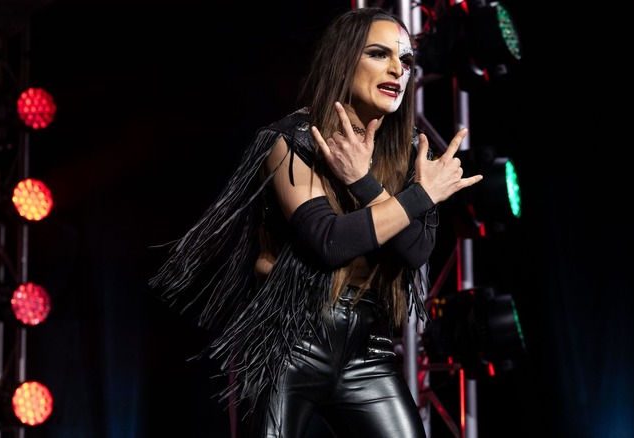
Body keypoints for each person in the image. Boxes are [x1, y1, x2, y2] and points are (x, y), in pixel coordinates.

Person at [149, 6, 482, 437]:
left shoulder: (408, 154)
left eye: (406, 60)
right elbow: (329, 242)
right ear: (344, 60)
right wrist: (420, 197)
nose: (397, 69)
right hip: (287, 341)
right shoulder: (294, 139)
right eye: (379, 54)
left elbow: (414, 250)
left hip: (369, 349)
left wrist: (363, 182)